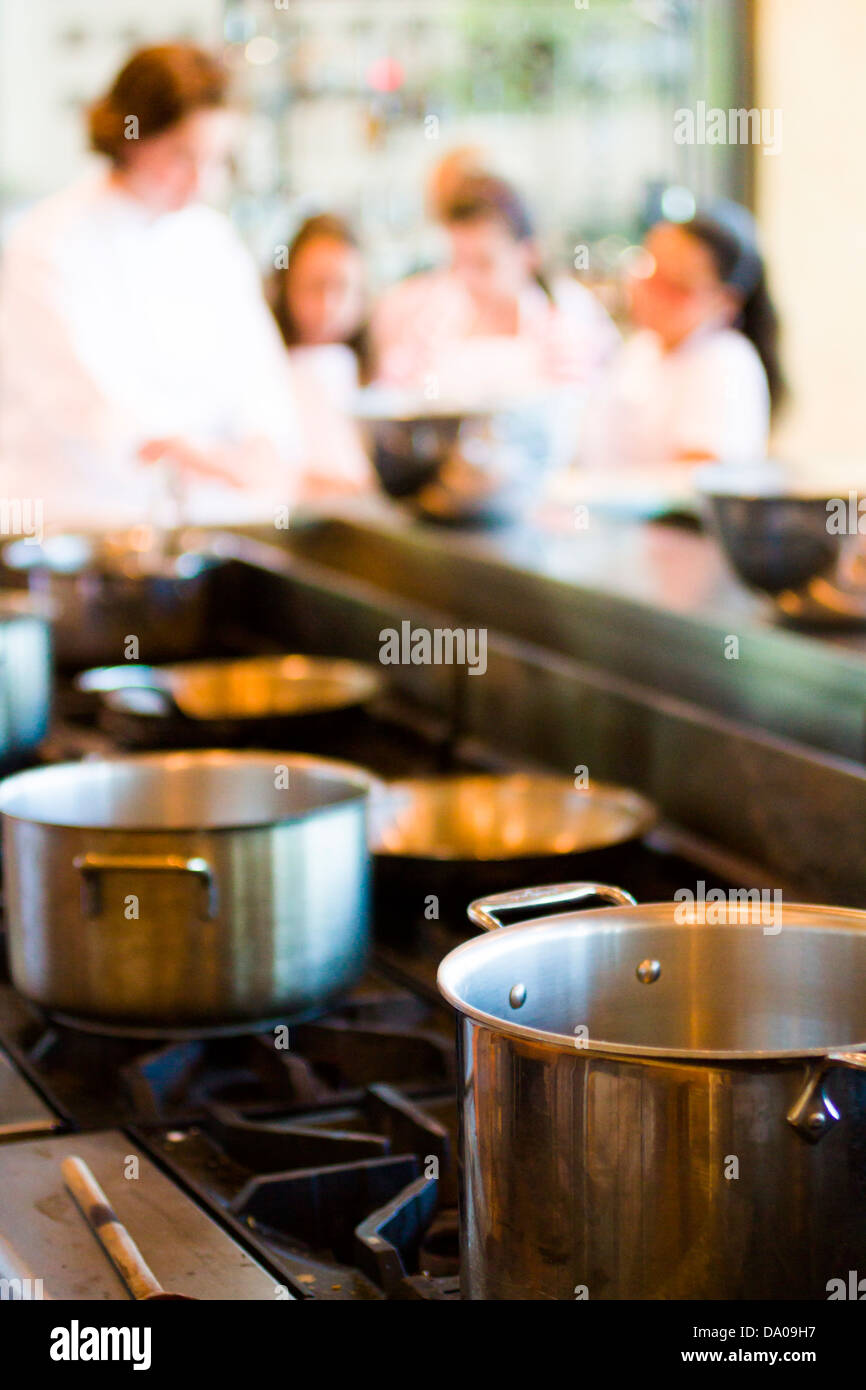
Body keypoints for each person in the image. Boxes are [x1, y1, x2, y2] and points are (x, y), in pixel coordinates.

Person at [0, 43, 306, 529]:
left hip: (208, 522)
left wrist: (262, 444)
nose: (200, 182)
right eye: (182, 155)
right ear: (129, 134)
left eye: (217, 160)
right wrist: (199, 456)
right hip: (77, 523)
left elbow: (261, 379)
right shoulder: (50, 239)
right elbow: (84, 405)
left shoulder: (213, 241)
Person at [371, 173, 619, 402]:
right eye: (459, 261)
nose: (467, 278)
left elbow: (591, 408)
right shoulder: (430, 318)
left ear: (528, 255)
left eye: (483, 264)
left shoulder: (570, 312)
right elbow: (392, 401)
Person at [581, 200, 785, 469]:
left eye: (674, 286)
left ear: (724, 302)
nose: (650, 290)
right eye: (649, 269)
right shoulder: (641, 350)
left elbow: (694, 484)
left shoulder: (725, 362)